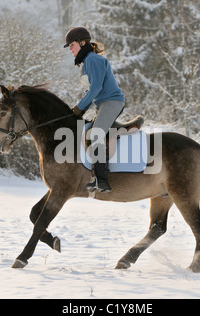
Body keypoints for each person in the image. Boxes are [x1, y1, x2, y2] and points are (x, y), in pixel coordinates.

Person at [64, 27, 125, 193]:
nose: (70, 49)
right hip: (103, 104)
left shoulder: (92, 60)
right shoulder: (86, 62)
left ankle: (102, 180)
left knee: (95, 134)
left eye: (72, 45)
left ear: (83, 43)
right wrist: (79, 110)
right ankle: (94, 175)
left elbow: (95, 89)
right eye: (69, 46)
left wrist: (79, 108)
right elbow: (89, 92)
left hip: (112, 102)